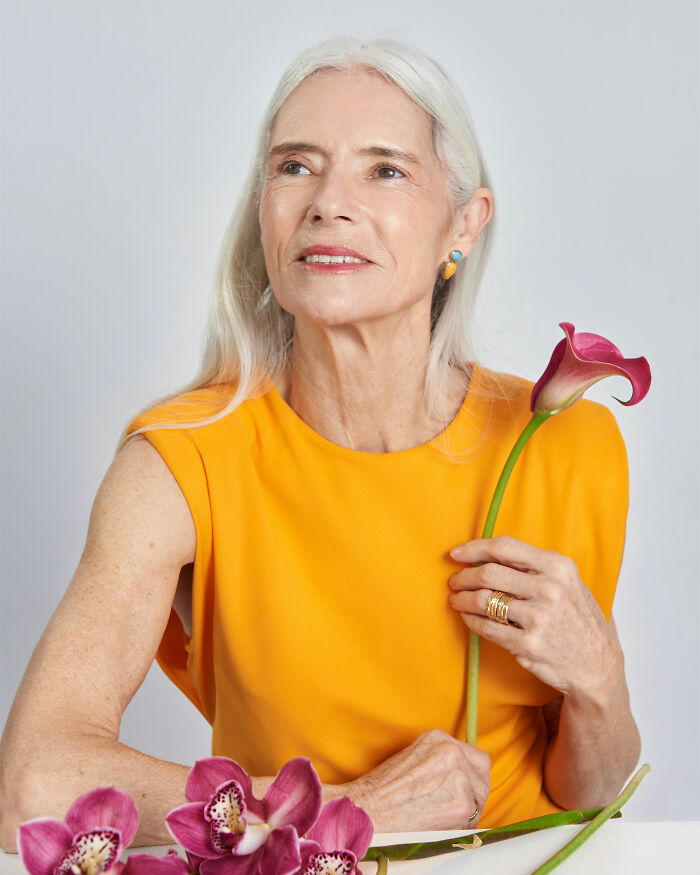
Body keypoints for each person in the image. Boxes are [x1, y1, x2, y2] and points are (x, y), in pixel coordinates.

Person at [0, 36, 640, 851]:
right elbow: (33, 781)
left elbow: (586, 792)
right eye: (294, 166)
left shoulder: (564, 443)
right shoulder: (180, 462)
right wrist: (345, 810)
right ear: (262, 208)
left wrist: (600, 681)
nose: (327, 202)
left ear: (464, 223)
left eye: (385, 169)